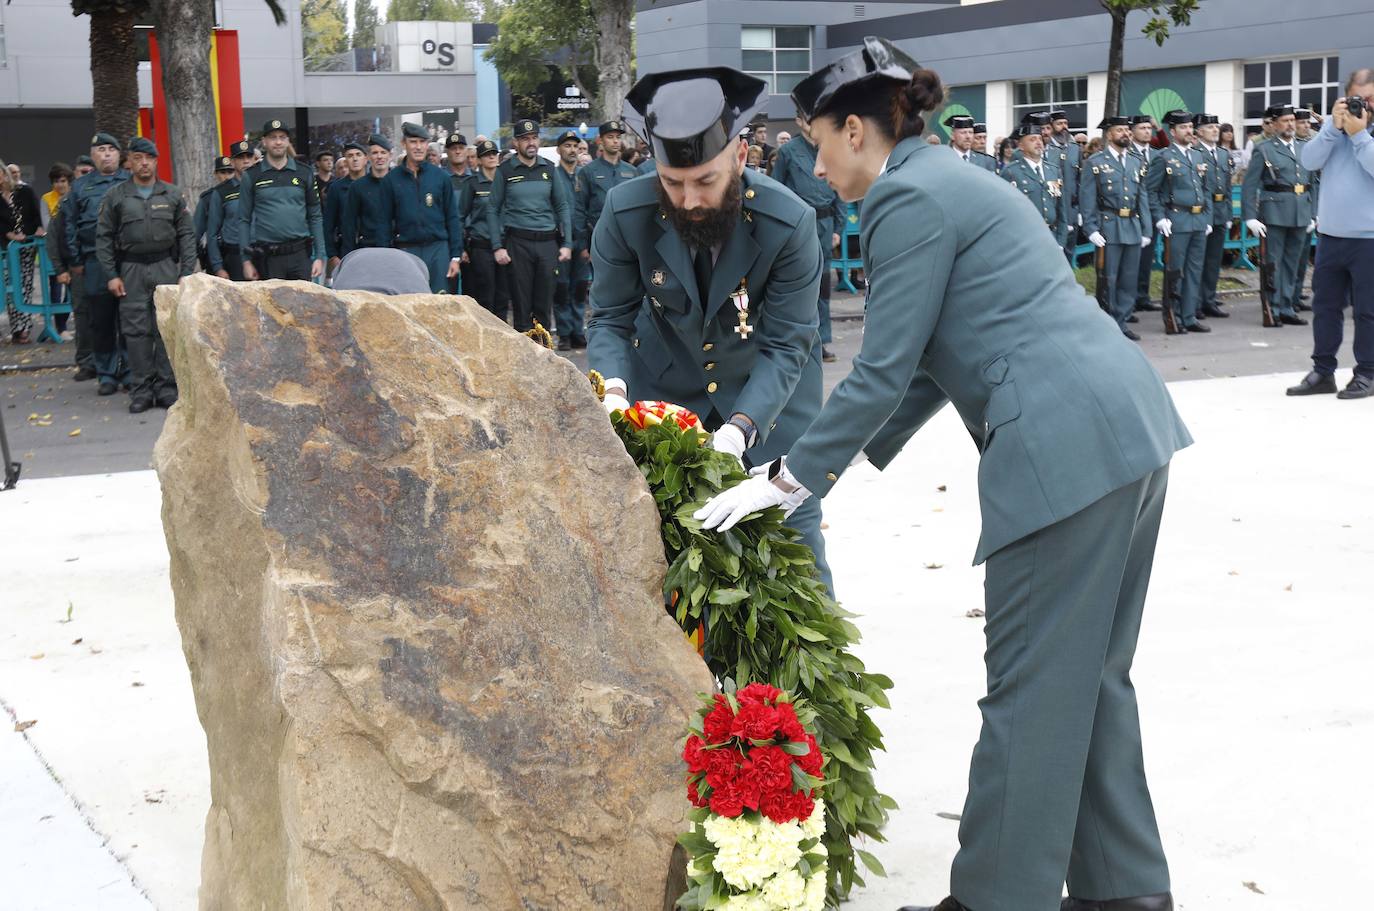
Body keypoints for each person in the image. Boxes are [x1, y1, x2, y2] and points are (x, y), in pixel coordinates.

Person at [696, 37, 1191, 911]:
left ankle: (997, 898)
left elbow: (883, 367)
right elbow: (928, 360)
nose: (815, 164)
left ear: (857, 130)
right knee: (1091, 676)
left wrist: (788, 481)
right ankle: (1124, 890)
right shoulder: (957, 178)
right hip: (1124, 428)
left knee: (1031, 687)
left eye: (818, 142)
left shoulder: (906, 199)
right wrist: (845, 458)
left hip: (1061, 450)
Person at [589, 65, 833, 592]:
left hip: (772, 405)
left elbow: (789, 342)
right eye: (672, 184)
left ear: (740, 158)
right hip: (668, 404)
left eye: (705, 181)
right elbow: (608, 317)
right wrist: (610, 390)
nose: (690, 201)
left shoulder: (788, 222)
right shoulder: (624, 211)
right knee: (674, 566)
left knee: (795, 565)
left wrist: (740, 430)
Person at [1287, 71, 1374, 399]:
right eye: (1356, 97)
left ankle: (1367, 372)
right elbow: (1308, 161)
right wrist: (1332, 130)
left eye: (1368, 98)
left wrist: (1360, 136)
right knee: (1325, 306)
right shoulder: (1333, 130)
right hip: (1331, 236)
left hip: (1369, 239)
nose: (1361, 104)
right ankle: (1323, 371)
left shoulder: (1362, 134)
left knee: (1368, 310)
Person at [94, 137, 195, 412]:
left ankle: (166, 388)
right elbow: (103, 237)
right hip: (131, 270)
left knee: (166, 328)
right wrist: (112, 275)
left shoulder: (172, 195)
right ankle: (141, 391)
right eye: (137, 158)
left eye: (148, 158)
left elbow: (186, 234)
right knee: (136, 331)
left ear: (156, 161)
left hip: (165, 266)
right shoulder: (116, 196)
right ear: (130, 162)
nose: (143, 163)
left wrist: (186, 271)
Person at [59, 132, 130, 393]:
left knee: (129, 319)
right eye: (101, 149)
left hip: (127, 260)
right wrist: (74, 260)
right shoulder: (80, 186)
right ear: (93, 155)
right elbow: (68, 226)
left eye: (112, 149)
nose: (107, 154)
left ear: (119, 154)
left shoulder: (130, 181)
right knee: (100, 320)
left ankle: (130, 372)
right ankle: (107, 374)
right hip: (94, 262)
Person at [772, 117, 845, 362]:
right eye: (806, 117)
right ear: (798, 121)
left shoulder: (829, 147)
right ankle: (799, 341)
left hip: (825, 225)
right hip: (799, 224)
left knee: (823, 288)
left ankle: (821, 341)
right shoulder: (788, 151)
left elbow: (839, 191)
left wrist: (838, 226)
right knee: (800, 285)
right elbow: (775, 188)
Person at [488, 119, 572, 332]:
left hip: (547, 244)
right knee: (521, 307)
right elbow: (492, 209)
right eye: (525, 139)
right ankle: (524, 361)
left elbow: (562, 206)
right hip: (518, 244)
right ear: (516, 143)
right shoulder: (506, 170)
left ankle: (544, 357)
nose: (531, 143)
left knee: (544, 306)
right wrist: (497, 246)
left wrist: (567, 244)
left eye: (534, 138)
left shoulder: (549, 169)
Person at [1080, 116, 1154, 340]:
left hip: (1131, 225)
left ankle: (1122, 321)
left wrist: (1146, 229)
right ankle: (1107, 323)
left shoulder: (1135, 161)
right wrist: (1091, 229)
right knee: (1108, 278)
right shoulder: (1095, 162)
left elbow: (1142, 196)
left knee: (1128, 278)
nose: (1126, 134)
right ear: (1109, 134)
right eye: (1120, 130)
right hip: (1108, 226)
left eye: (1127, 130)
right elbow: (1087, 198)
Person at [1242, 104, 1315, 327]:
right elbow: (1249, 185)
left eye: (1292, 120)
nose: (1290, 124)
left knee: (1292, 263)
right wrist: (1250, 217)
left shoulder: (1305, 147)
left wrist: (1315, 213)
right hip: (1274, 211)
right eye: (1285, 121)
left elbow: (1314, 183)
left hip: (1301, 210)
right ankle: (1271, 307)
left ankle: (1286, 307)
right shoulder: (1264, 149)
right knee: (1273, 263)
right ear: (1274, 124)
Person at [1147, 109, 1212, 333]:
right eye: (1183, 127)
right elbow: (1151, 191)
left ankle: (1189, 315)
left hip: (1198, 219)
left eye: (1190, 127)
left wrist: (1207, 217)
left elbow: (1206, 189)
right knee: (1175, 271)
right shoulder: (1163, 157)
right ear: (1172, 131)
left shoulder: (1198, 156)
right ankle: (1172, 315)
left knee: (1195, 270)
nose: (1188, 131)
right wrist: (1160, 218)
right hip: (1177, 219)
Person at [238, 119, 326, 281]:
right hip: (268, 258)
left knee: (304, 304)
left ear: (288, 142)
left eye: (282, 137)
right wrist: (246, 261)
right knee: (270, 306)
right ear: (264, 142)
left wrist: (320, 256)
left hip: (300, 255)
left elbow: (315, 215)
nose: (278, 142)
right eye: (272, 137)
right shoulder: (251, 175)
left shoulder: (304, 172)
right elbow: (243, 219)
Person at [386, 122, 463, 294]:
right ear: (403, 144)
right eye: (413, 142)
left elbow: (452, 217)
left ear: (427, 145)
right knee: (409, 305)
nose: (418, 147)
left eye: (422, 142)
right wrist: (387, 259)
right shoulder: (391, 180)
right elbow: (384, 222)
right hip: (406, 250)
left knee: (441, 305)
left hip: (438, 249)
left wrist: (455, 256)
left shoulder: (441, 177)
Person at [1187, 113, 1234, 320]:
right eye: (1209, 127)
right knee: (1199, 259)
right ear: (1199, 132)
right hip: (1203, 211)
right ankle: (1194, 301)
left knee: (1214, 260)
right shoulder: (1195, 153)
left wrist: (1229, 213)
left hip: (1221, 209)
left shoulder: (1223, 154)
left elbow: (1229, 186)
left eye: (1216, 126)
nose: (1215, 130)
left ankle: (1209, 299)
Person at [1001, 117, 1069, 247]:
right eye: (1032, 139)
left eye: (1039, 139)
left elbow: (1061, 210)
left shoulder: (1053, 170)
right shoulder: (1011, 172)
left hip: (1052, 237)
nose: (1038, 142)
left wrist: (1060, 242)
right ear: (1021, 146)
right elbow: (1005, 213)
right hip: (1025, 239)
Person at [457, 139, 506, 319]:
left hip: (505, 244)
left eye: (494, 153)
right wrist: (461, 247)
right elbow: (460, 216)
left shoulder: (506, 181)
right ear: (478, 160)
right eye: (486, 154)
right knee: (485, 294)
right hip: (481, 245)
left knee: (503, 295)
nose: (491, 157)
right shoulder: (473, 183)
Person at [550, 130, 587, 348]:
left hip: (582, 242)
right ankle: (564, 333)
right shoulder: (552, 175)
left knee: (580, 289)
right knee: (561, 289)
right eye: (567, 146)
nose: (572, 150)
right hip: (560, 242)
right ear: (558, 150)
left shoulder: (585, 175)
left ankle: (577, 330)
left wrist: (588, 243)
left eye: (575, 146)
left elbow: (590, 209)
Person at [0, 158, 43, 343]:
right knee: (11, 288)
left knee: (25, 285)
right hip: (7, 246)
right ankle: (17, 328)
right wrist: (8, 234)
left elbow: (36, 214)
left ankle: (23, 328)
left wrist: (38, 229)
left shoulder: (24, 191)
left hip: (26, 245)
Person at [204, 141, 254, 282]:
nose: (245, 161)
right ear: (232, 162)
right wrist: (218, 267)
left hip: (264, 254)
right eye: (240, 157)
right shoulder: (222, 192)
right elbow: (212, 232)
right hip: (235, 256)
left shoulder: (264, 185)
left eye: (249, 157)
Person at [342, 133, 395, 256]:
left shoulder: (400, 183)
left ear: (390, 156)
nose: (379, 157)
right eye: (375, 153)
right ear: (369, 157)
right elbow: (349, 224)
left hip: (397, 248)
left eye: (383, 152)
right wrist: (349, 256)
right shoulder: (358, 187)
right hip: (368, 249)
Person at [323, 140, 366, 275]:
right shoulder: (336, 188)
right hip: (346, 249)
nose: (354, 159)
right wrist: (332, 254)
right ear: (345, 160)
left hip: (372, 247)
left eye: (358, 154)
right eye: (350, 155)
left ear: (366, 159)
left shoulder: (377, 184)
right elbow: (328, 223)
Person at [1046, 109, 1082, 262]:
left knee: (1069, 252)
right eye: (1059, 123)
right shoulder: (1047, 149)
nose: (1064, 126)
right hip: (1055, 211)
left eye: (1065, 123)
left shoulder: (1075, 148)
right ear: (1052, 126)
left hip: (1072, 210)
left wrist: (1080, 210)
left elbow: (1080, 180)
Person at [193, 156, 235, 272]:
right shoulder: (207, 199)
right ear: (216, 174)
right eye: (223, 172)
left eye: (230, 171)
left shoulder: (243, 193)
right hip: (216, 254)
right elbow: (196, 232)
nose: (227, 176)